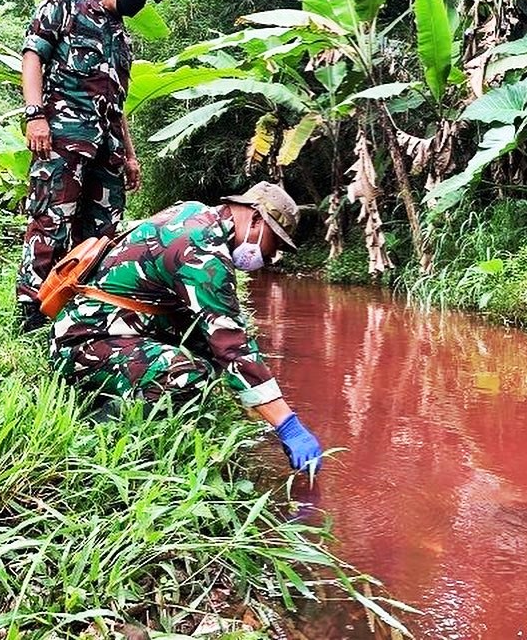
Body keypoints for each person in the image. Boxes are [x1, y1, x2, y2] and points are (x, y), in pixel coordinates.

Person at [49, 181, 323, 473]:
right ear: (256, 218)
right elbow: (232, 346)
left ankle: (127, 397)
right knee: (190, 375)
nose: (270, 257)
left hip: (102, 330)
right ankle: (105, 430)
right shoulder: (203, 250)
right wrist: (288, 425)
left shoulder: (193, 214)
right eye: (275, 243)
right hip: (85, 344)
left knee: (207, 353)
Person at [17, 0, 163, 331]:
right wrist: (35, 115)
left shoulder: (123, 41)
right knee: (51, 218)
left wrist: (130, 156)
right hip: (63, 138)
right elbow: (33, 55)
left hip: (108, 149)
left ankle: (79, 307)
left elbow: (118, 105)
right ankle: (32, 308)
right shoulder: (66, 4)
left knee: (102, 231)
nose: (140, 1)